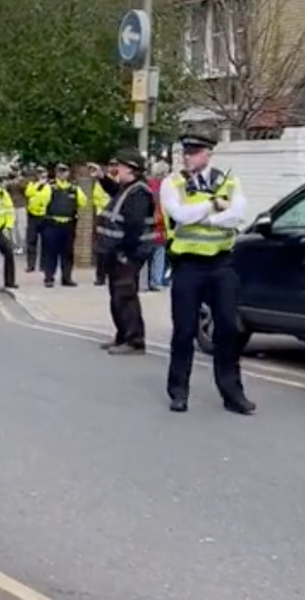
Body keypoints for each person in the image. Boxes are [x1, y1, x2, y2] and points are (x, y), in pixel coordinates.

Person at [160, 133, 254, 415]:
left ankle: (232, 393)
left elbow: (238, 215)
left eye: (194, 151)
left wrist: (209, 217)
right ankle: (178, 392)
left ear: (208, 154)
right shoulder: (172, 182)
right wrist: (214, 205)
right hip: (188, 265)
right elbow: (180, 216)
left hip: (221, 264)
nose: (187, 156)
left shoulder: (228, 181)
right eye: (185, 151)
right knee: (184, 331)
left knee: (228, 329)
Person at [92, 151, 156, 355]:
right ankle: (122, 335)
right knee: (117, 295)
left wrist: (125, 252)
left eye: (118, 165)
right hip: (116, 252)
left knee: (125, 295)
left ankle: (135, 340)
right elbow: (115, 192)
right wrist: (102, 177)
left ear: (130, 168)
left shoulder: (139, 193)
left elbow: (134, 227)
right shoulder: (127, 189)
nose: (114, 169)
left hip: (128, 253)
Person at [40, 163, 87, 288]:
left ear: (68, 173)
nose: (62, 174)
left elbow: (83, 201)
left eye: (64, 171)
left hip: (68, 224)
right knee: (51, 252)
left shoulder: (74, 188)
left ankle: (67, 278)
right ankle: (49, 278)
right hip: (52, 223)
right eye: (59, 171)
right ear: (56, 173)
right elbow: (41, 202)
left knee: (67, 253)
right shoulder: (49, 187)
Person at [91, 158, 118, 287]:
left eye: (115, 165)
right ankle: (100, 276)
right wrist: (109, 204)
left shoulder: (119, 181)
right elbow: (97, 197)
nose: (113, 168)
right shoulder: (101, 181)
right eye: (111, 165)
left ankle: (111, 273)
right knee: (101, 246)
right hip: (102, 215)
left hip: (116, 216)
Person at [145, 159, 170, 291]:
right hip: (160, 224)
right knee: (159, 254)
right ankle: (156, 281)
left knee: (145, 254)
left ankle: (143, 282)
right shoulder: (165, 186)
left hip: (147, 224)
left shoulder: (148, 184)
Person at [23, 168, 49, 272]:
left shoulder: (50, 185)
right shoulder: (32, 184)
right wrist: (38, 185)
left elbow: (49, 197)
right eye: (39, 174)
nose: (41, 176)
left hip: (45, 216)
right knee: (31, 242)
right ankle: (31, 265)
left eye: (43, 173)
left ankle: (44, 265)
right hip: (33, 216)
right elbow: (28, 193)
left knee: (46, 242)